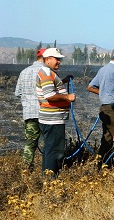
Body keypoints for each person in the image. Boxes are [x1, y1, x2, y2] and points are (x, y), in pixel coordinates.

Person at [36, 47, 76, 176]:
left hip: (52, 118)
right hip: (52, 119)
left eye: (59, 59)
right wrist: (67, 97)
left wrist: (63, 80)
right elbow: (50, 95)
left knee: (51, 149)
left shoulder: (49, 73)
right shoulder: (47, 74)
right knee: (54, 151)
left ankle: (48, 176)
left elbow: (52, 87)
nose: (59, 62)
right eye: (56, 59)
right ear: (47, 60)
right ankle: (50, 178)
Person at [15, 48, 46, 170]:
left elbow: (18, 93)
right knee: (49, 143)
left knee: (30, 144)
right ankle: (48, 169)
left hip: (29, 113)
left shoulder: (24, 72)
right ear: (46, 58)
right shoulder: (47, 72)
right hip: (45, 114)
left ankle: (26, 170)